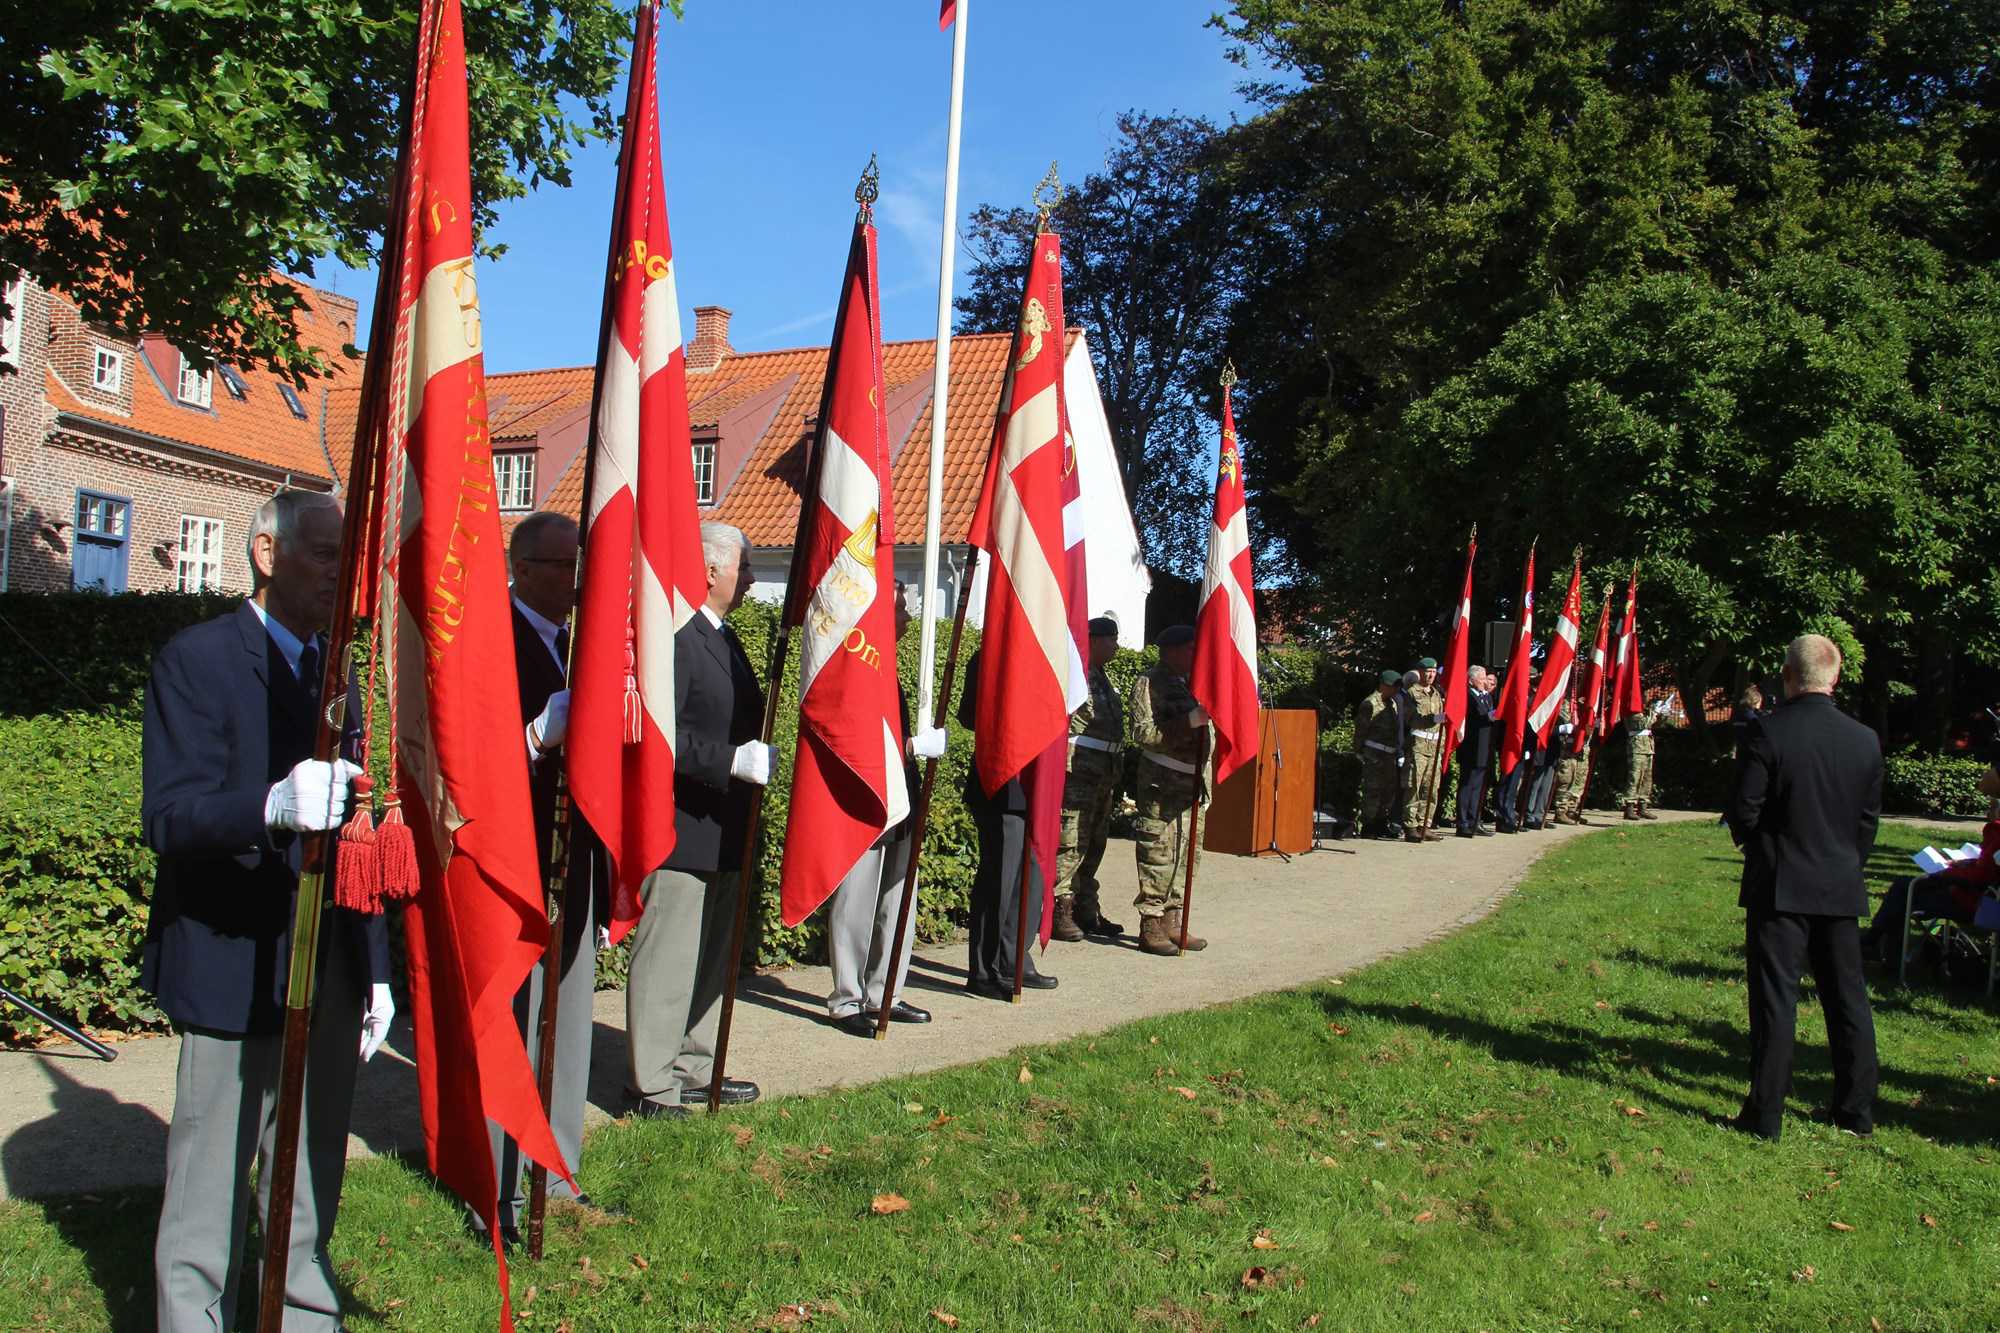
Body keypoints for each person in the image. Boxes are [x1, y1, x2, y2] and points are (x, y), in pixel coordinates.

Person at [142, 489, 389, 1332]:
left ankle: (301, 1311)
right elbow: (169, 815)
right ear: (264, 552)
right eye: (324, 553)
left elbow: (356, 830)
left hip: (326, 957)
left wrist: (375, 968)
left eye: (345, 558)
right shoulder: (199, 658)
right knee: (212, 1171)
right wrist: (269, 806)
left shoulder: (335, 673)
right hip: (233, 952)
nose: (338, 574)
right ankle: (194, 1316)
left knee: (311, 1163)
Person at [481, 512, 607, 1245]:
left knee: (567, 1013)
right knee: (515, 1021)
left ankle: (557, 1167)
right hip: (514, 857)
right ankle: (500, 1177)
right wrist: (533, 736)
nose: (575, 580)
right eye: (562, 566)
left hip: (573, 856)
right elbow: (465, 753)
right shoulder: (490, 638)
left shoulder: (581, 643)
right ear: (522, 567)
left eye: (578, 564)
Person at [625, 521, 770, 1118]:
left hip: (726, 826)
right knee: (669, 957)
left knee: (710, 957)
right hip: (683, 827)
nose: (753, 576)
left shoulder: (724, 638)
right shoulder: (680, 640)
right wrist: (728, 760)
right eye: (745, 564)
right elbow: (659, 734)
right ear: (711, 570)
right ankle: (649, 1082)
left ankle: (693, 1068)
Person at [1724, 633, 1882, 1140]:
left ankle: (1765, 1114)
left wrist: (1762, 850)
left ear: (1788, 675)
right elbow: (1867, 821)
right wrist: (1847, 863)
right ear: (1835, 677)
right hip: (1839, 881)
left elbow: (1744, 810)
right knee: (1848, 999)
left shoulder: (1768, 732)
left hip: (1780, 883)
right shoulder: (1865, 739)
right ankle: (1855, 1111)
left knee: (1776, 999)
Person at [825, 583, 947, 1037]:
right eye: (901, 610)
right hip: (867, 801)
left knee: (898, 901)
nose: (909, 619)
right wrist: (912, 746)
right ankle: (846, 998)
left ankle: (885, 992)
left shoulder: (888, 665)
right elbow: (855, 734)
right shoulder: (855, 662)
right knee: (856, 901)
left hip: (900, 798)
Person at [959, 650, 1059, 996]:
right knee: (998, 879)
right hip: (1002, 782)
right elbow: (968, 715)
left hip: (1036, 783)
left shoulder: (1045, 650)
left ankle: (1014, 957)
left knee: (1031, 876)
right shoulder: (989, 655)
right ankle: (984, 970)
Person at [1857, 764, 2000, 961]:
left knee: (1904, 891)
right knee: (1904, 889)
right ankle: (1877, 945)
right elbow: (1990, 867)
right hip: (1982, 896)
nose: (1986, 813)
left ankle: (1880, 948)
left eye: (1991, 808)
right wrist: (1967, 863)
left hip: (1976, 902)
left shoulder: (1997, 831)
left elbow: (1981, 876)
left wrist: (1945, 873)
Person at [1130, 625, 1211, 956]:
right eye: (1191, 649)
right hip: (1162, 782)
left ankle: (1174, 919)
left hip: (1192, 781)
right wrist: (1190, 721)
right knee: (1158, 852)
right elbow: (1142, 732)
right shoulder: (1149, 682)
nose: (1196, 655)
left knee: (1187, 853)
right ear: (1172, 650)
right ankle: (1151, 922)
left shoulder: (1194, 684)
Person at [1052, 615, 1127, 942]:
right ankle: (1060, 909)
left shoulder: (1101, 676)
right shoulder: (1077, 675)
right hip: (1079, 775)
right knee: (1071, 842)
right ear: (1093, 640)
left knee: (1095, 843)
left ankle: (1086, 908)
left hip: (1102, 776)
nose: (1116, 646)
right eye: (1111, 639)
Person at [1353, 669, 1405, 839]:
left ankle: (1381, 823)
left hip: (1389, 755)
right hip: (1374, 754)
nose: (1396, 690)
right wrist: (1359, 751)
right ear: (1384, 686)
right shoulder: (1370, 704)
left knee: (1388, 791)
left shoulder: (1392, 703)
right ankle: (1369, 825)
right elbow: (1361, 729)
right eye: (1394, 687)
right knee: (1373, 791)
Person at [1400, 657, 1446, 841]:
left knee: (1431, 788)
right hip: (1418, 746)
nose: (1431, 675)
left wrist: (1442, 746)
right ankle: (1410, 826)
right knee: (1414, 786)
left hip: (1434, 747)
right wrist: (1431, 719)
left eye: (1433, 672)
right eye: (1428, 672)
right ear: (1420, 672)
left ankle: (1424, 824)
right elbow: (1411, 719)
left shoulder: (1436, 693)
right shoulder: (1411, 693)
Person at [1455, 666, 1498, 837]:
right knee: (1467, 785)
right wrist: (1489, 716)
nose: (1484, 681)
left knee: (1478, 787)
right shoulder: (1467, 696)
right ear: (1471, 680)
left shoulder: (1486, 696)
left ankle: (1475, 821)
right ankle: (1463, 822)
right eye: (1481, 678)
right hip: (1471, 747)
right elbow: (1471, 719)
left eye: (1485, 678)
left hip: (1484, 748)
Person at [1618, 701, 1664, 820]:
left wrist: (1662, 715)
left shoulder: (1646, 712)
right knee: (1635, 778)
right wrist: (1654, 712)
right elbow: (1644, 724)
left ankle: (1643, 807)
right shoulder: (1632, 712)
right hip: (1637, 748)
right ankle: (1629, 808)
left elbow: (1655, 725)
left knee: (1647, 779)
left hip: (1648, 747)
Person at [1549, 697, 1590, 825]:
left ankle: (1571, 809)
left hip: (1583, 747)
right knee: (1565, 779)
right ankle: (1560, 811)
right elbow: (1566, 721)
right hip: (1568, 748)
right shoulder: (1566, 703)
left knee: (1579, 779)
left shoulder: (1587, 703)